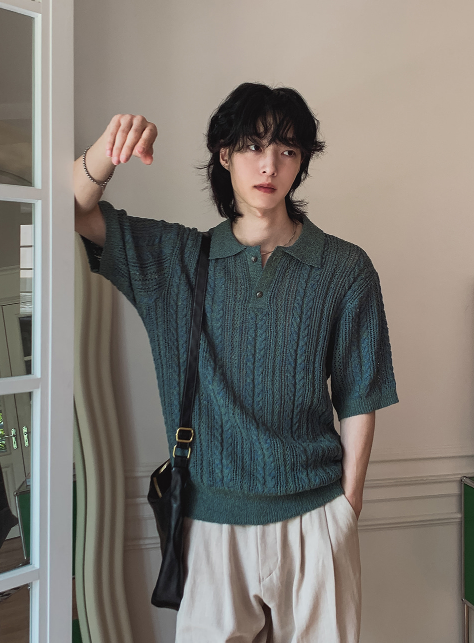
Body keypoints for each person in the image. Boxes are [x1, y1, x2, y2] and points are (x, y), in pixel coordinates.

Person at [74, 82, 399, 643]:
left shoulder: (344, 268)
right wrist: (107, 151)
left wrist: (348, 507)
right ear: (223, 154)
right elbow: (72, 210)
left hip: (315, 517)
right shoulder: (175, 259)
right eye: (252, 146)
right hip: (210, 523)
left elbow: (360, 394)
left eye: (287, 150)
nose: (269, 165)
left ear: (302, 162)